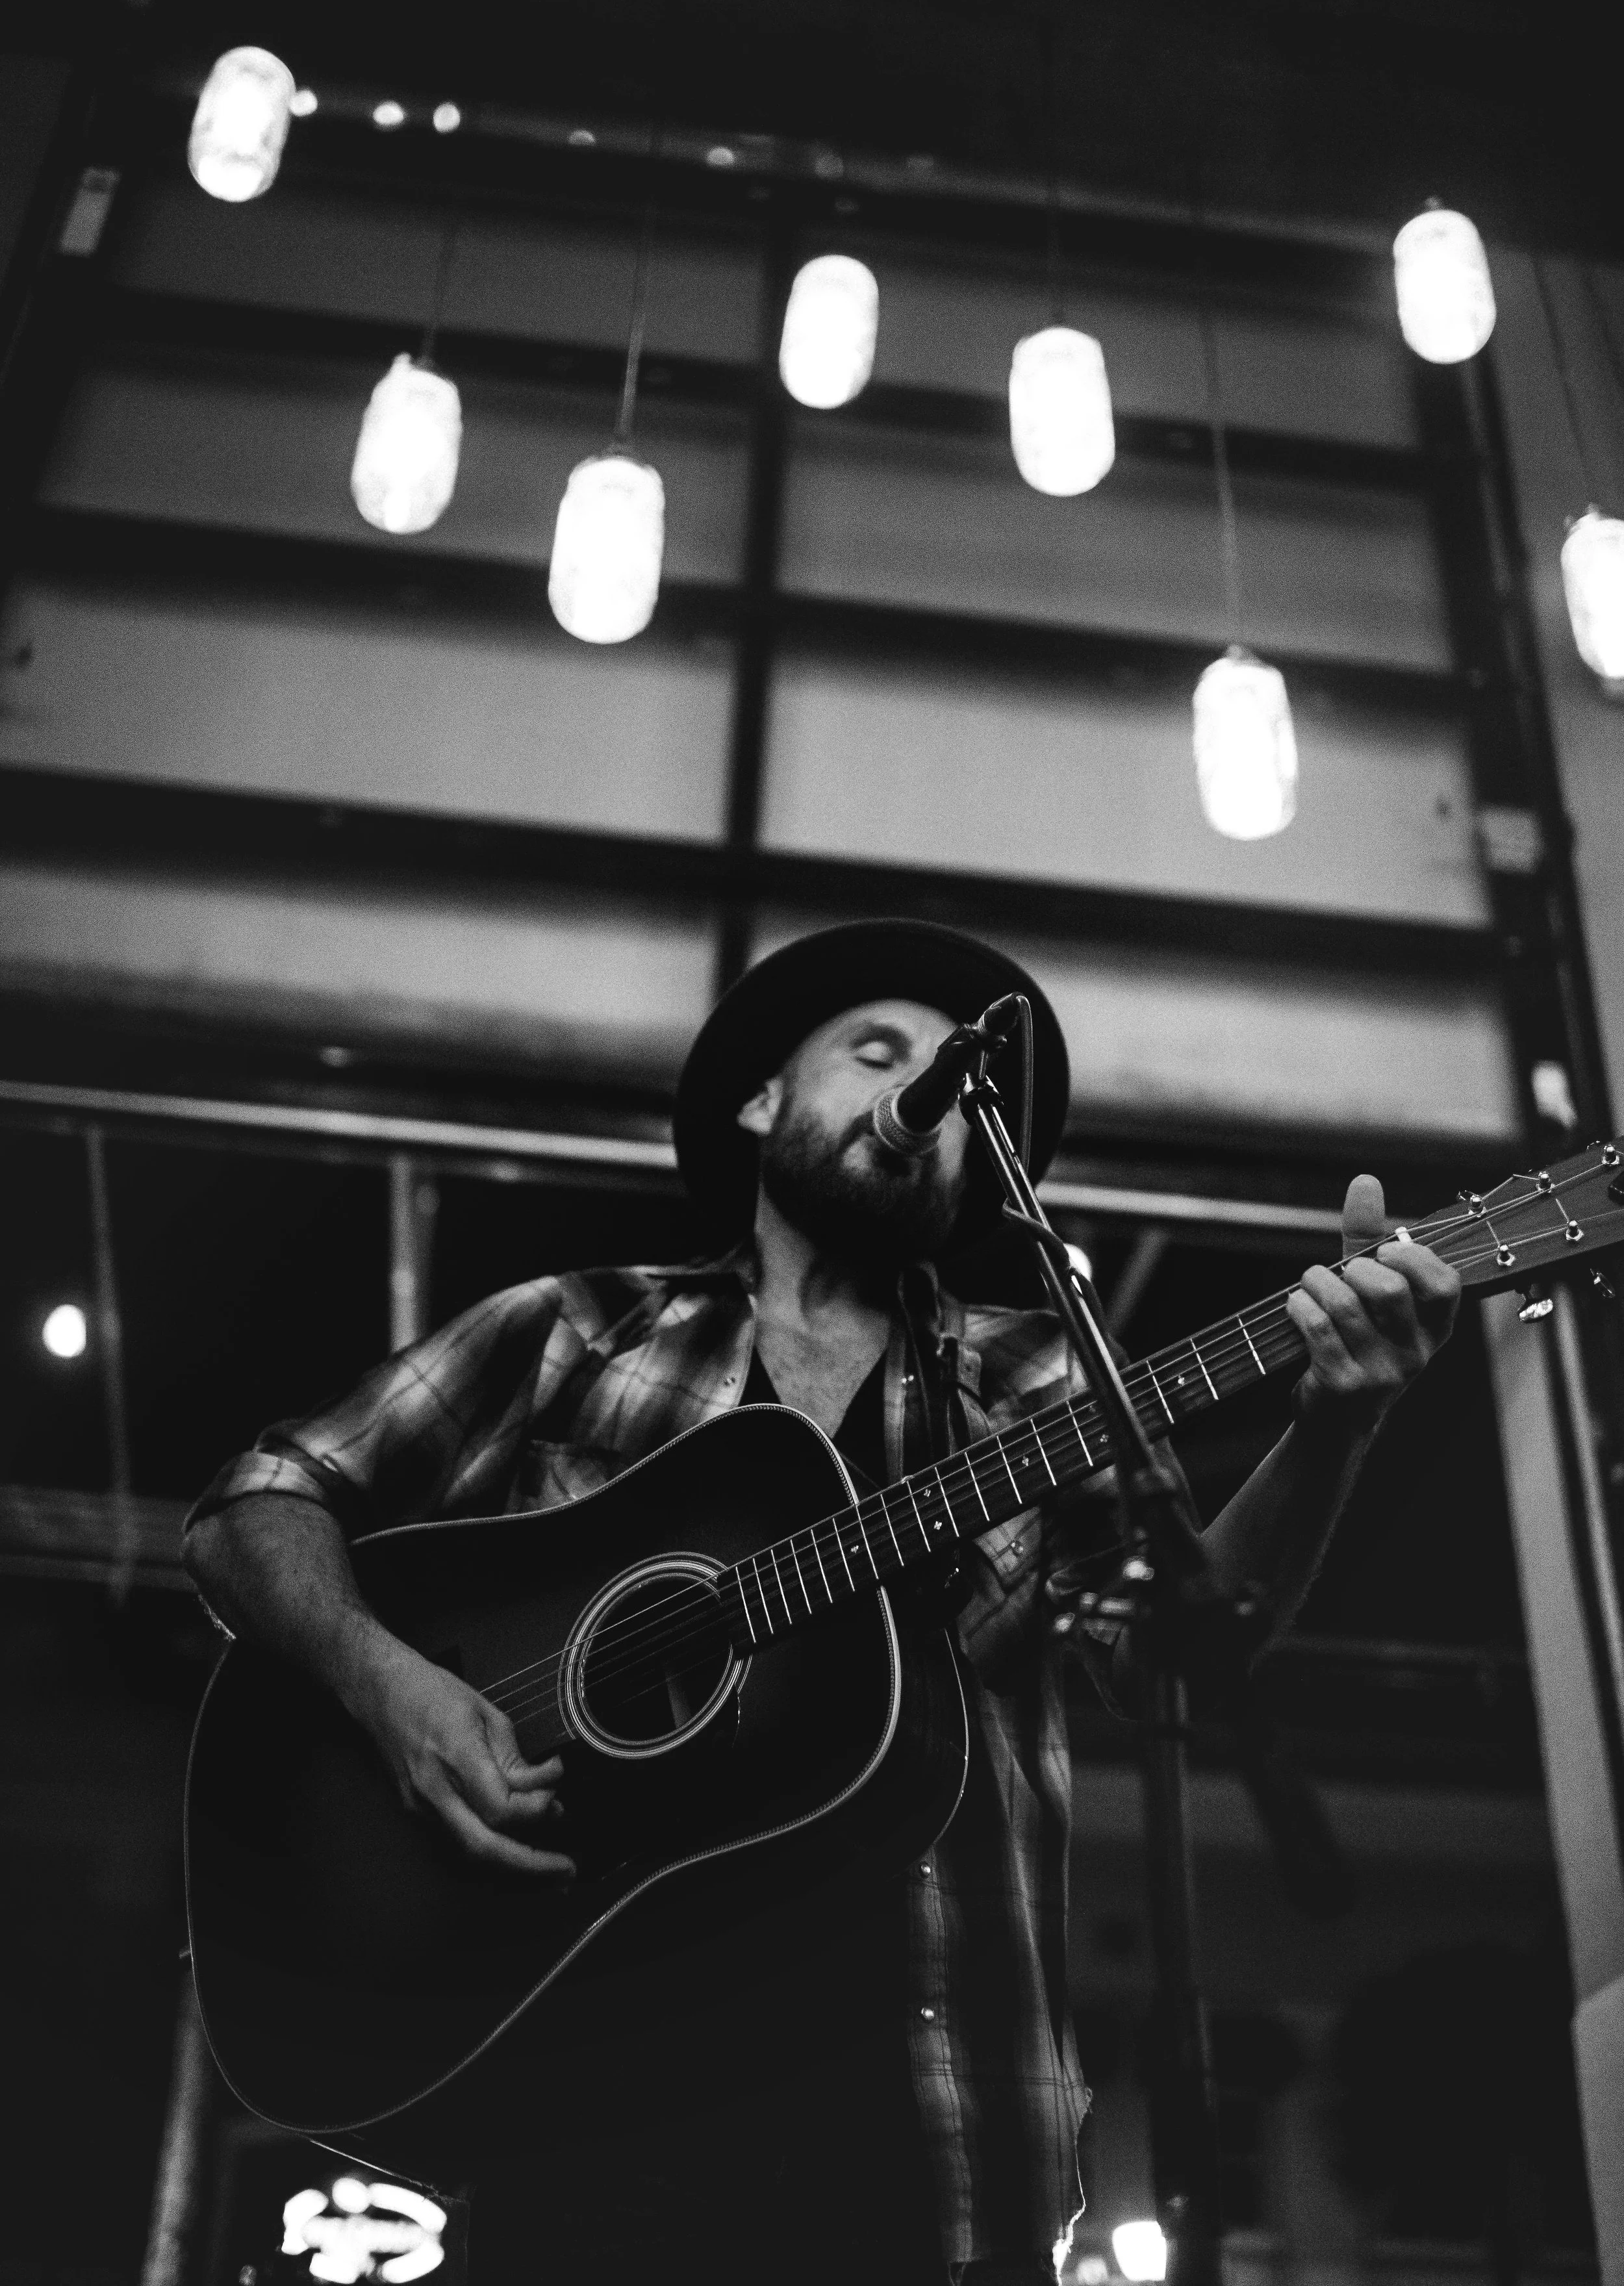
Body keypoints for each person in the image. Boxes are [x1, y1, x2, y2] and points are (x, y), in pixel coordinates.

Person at [181, 920, 1460, 2286]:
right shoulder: (576, 1331)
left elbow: (1172, 1664)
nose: (925, 1091)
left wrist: (1334, 1426)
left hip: (938, 2140)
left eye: (961, 1088)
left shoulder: (1039, 1381)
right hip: (588, 2127)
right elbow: (255, 1506)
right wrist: (389, 1684)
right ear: (761, 1101)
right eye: (877, 1051)